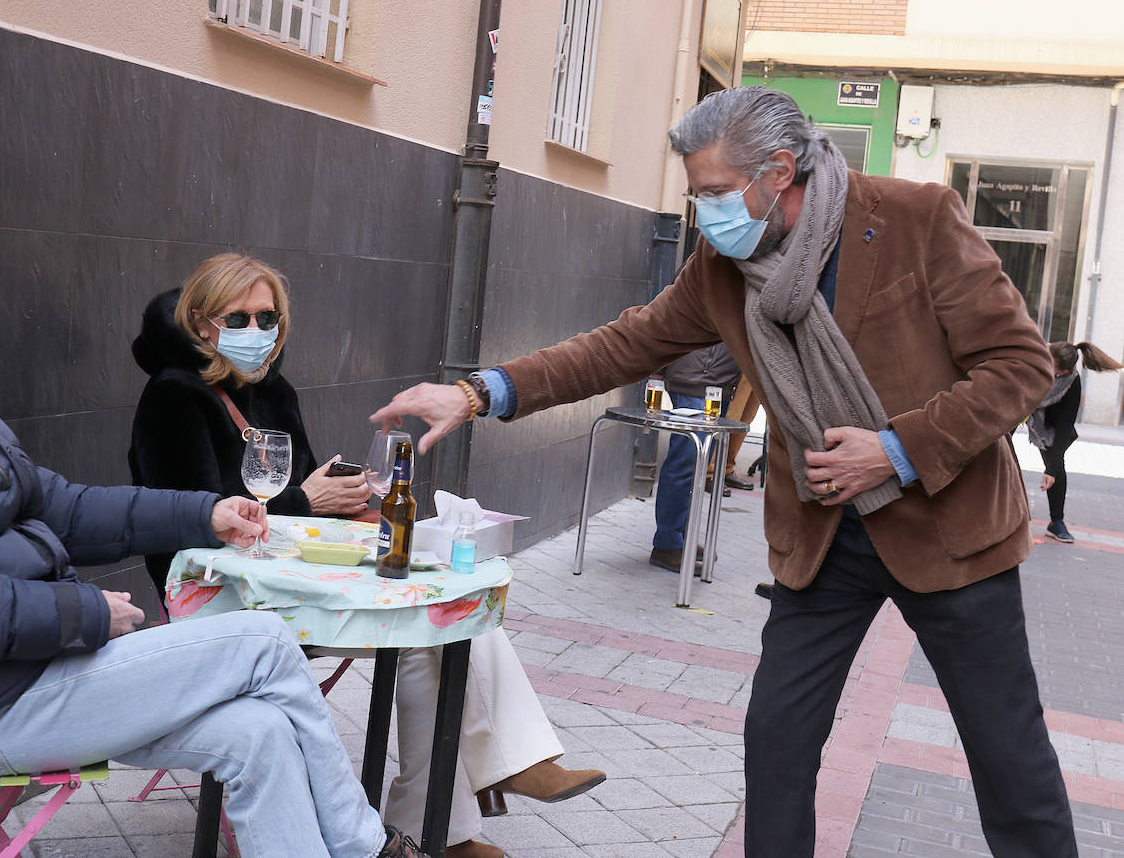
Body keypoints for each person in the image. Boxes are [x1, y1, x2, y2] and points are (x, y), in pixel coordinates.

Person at [371, 87, 1080, 857]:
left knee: (1008, 759)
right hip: (824, 534)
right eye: (695, 195)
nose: (704, 211)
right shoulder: (723, 267)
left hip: (951, 532)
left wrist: (896, 448)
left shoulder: (916, 218)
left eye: (713, 192)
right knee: (775, 746)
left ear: (779, 171)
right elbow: (621, 345)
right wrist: (480, 390)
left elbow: (1020, 366)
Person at [0, 207, 430, 858]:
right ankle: (366, 846)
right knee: (266, 641)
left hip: (41, 672)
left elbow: (65, 507)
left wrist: (205, 512)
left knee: (259, 733)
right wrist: (79, 611)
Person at [128, 254, 605, 858]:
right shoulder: (172, 398)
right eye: (239, 318)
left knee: (444, 615)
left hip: (295, 582)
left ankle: (455, 822)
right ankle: (495, 781)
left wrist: (338, 494)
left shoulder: (271, 390)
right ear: (201, 322)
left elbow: (298, 493)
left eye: (268, 316)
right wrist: (307, 499)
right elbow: (191, 527)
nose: (257, 331)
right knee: (434, 627)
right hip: (223, 599)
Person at [650, 342, 740, 573]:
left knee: (697, 463)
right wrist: (657, 369)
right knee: (687, 461)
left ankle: (679, 537)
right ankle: (667, 543)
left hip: (719, 378)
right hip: (696, 375)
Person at [1027, 340, 1123, 542]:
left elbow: (1064, 427)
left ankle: (1056, 522)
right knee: (999, 451)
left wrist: (1051, 470)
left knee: (1056, 467)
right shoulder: (1032, 363)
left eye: (1060, 372)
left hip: (1049, 428)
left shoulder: (1071, 382)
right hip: (1017, 408)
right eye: (1054, 369)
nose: (1056, 375)